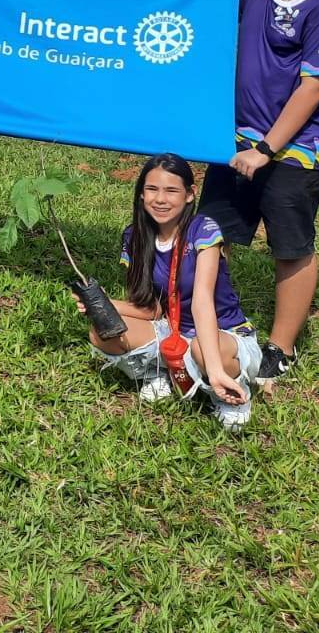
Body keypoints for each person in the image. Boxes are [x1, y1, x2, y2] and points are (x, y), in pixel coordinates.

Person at [200, 0, 319, 385]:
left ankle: (281, 348)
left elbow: (314, 88)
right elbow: (207, 6)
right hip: (238, 141)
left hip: (296, 150)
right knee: (211, 234)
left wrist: (265, 149)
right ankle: (214, 321)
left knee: (290, 246)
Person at [86, 154, 261, 431]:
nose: (160, 199)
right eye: (152, 189)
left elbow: (202, 301)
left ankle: (229, 393)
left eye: (171, 191)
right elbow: (151, 308)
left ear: (190, 194)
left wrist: (215, 369)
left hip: (222, 333)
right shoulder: (135, 236)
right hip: (173, 329)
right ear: (141, 193)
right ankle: (158, 373)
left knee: (201, 348)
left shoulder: (203, 230)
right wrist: (104, 305)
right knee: (103, 331)